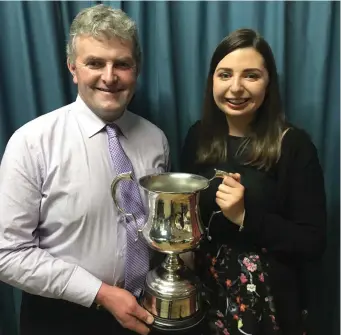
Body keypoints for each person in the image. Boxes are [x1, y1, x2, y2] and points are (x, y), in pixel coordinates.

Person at [0, 5, 170, 335]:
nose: (109, 77)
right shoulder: (32, 142)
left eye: (122, 63)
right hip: (61, 319)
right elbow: (7, 254)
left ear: (137, 70)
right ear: (73, 68)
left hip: (147, 311)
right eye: (95, 63)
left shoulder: (156, 139)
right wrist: (101, 294)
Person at [180, 28, 327, 335]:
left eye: (250, 76)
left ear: (268, 82)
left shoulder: (294, 146)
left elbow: (313, 242)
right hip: (204, 294)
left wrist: (246, 217)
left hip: (267, 303)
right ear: (212, 81)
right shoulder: (198, 137)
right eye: (224, 75)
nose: (235, 88)